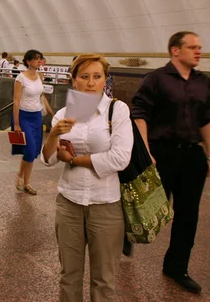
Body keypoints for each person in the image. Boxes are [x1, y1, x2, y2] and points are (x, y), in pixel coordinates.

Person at [41, 53, 132, 301]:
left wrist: (73, 160)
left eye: (97, 76)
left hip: (105, 204)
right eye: (84, 77)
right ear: (73, 81)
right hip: (69, 203)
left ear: (105, 80)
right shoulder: (62, 114)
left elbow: (120, 159)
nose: (91, 83)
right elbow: (48, 160)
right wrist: (53, 136)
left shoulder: (117, 110)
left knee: (103, 279)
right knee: (69, 275)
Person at [132, 31, 210, 294]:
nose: (198, 51)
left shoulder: (203, 82)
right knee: (150, 208)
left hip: (192, 155)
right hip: (161, 152)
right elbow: (140, 114)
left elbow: (207, 120)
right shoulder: (155, 79)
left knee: (188, 215)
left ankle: (177, 266)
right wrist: (146, 152)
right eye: (192, 47)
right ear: (175, 50)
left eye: (200, 47)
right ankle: (126, 235)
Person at [12, 49, 48, 195]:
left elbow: (42, 96)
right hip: (24, 116)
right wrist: (16, 123)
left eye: (40, 58)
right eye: (36, 59)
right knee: (30, 148)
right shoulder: (20, 78)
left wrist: (51, 112)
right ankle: (20, 176)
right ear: (28, 61)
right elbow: (16, 101)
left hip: (36, 116)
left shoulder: (40, 75)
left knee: (34, 152)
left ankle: (26, 182)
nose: (39, 61)